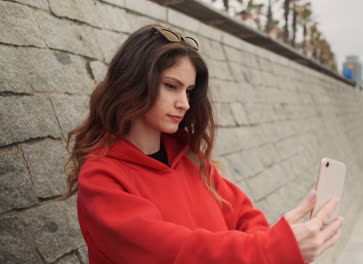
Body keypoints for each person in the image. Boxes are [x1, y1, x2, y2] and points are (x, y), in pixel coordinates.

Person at [59, 24, 343, 263]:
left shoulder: (190, 160)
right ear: (133, 84)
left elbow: (246, 218)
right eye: (171, 86)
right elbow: (173, 251)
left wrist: (278, 242)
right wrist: (274, 248)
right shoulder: (102, 179)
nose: (184, 103)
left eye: (189, 91)